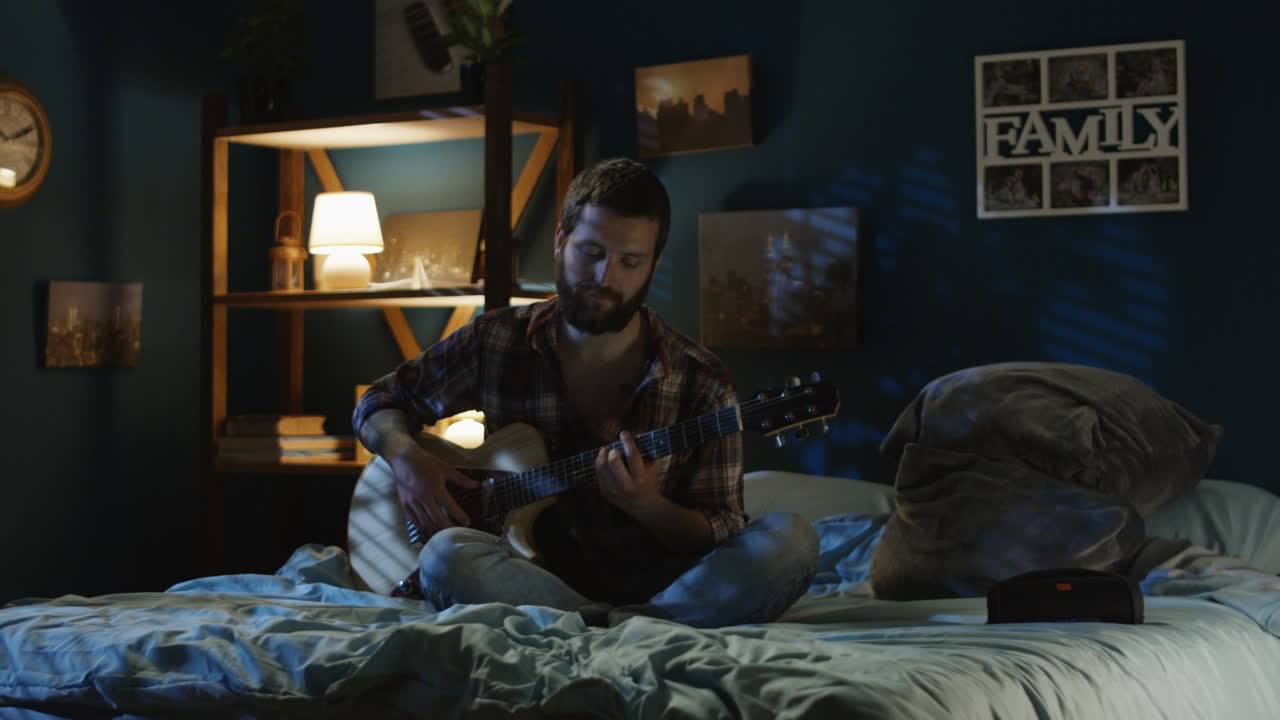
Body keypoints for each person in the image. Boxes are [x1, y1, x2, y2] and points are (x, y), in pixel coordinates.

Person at [353, 157, 819, 628]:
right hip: (525, 576)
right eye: (591, 253)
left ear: (653, 265)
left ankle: (600, 627)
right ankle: (625, 631)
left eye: (629, 261)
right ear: (560, 241)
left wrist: (648, 506)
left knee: (792, 540)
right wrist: (407, 458)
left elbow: (717, 528)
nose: (605, 277)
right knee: (445, 556)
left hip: (663, 586)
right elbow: (380, 401)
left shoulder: (700, 378)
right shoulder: (495, 339)